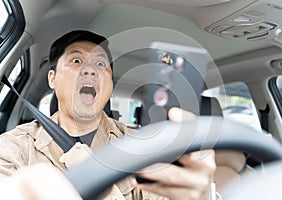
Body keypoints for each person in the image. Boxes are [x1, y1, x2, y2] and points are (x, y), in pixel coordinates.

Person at [0, 30, 216, 199]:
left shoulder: (142, 146)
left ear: (110, 85)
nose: (90, 69)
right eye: (76, 61)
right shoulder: (13, 146)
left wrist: (202, 196)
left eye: (101, 64)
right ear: (52, 79)